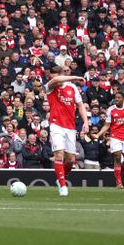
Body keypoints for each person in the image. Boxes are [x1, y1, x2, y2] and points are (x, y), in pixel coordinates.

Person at [45, 65, 89, 196]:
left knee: (70, 160)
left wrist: (86, 122)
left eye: (55, 74)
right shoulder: (50, 86)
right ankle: (63, 186)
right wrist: (74, 77)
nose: (52, 77)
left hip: (70, 126)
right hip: (56, 125)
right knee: (59, 155)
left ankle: (61, 179)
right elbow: (55, 81)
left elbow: (80, 106)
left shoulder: (72, 88)